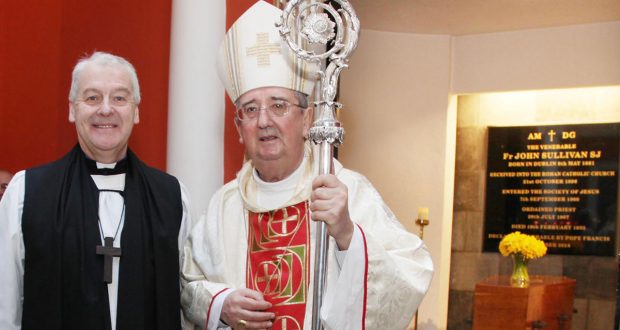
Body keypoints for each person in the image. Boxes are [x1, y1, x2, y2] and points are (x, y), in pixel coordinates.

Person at [180, 2, 433, 329]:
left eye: (279, 105)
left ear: (307, 120)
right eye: (251, 109)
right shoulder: (223, 207)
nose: (264, 121)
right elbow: (186, 283)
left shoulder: (346, 192)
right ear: (238, 128)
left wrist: (346, 234)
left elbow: (412, 273)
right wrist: (220, 304)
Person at [0, 51, 191, 330]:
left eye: (119, 98)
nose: (105, 109)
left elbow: (183, 303)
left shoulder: (172, 197)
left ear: (136, 111)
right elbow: (5, 305)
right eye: (92, 97)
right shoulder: (26, 193)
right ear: (72, 109)